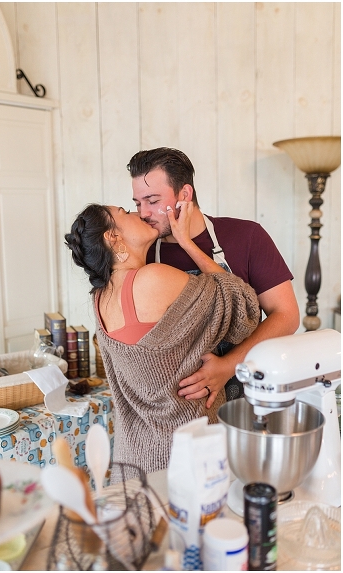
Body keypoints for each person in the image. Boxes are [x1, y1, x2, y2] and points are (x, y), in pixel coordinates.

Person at [65, 203, 261, 474]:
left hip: (134, 457)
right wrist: (188, 243)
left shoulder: (101, 298)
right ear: (113, 236)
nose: (140, 213)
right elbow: (244, 310)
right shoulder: (153, 279)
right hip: (184, 457)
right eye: (126, 212)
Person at [128, 148, 299, 406]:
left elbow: (287, 316)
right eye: (138, 203)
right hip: (176, 405)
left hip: (249, 397)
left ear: (184, 195)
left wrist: (228, 365)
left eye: (152, 201)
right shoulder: (142, 251)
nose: (143, 213)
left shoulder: (247, 236)